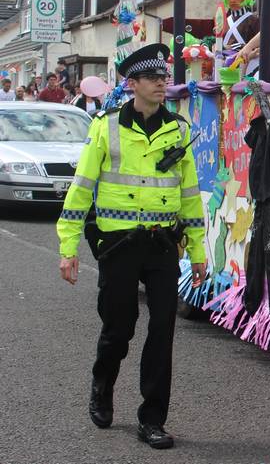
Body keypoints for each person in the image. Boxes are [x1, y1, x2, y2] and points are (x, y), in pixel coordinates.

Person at [56, 43, 206, 450]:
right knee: (118, 328)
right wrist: (68, 248)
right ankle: (102, 386)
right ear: (133, 84)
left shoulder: (179, 129)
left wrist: (197, 251)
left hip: (162, 244)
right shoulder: (105, 127)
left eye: (164, 78)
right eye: (152, 78)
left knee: (162, 330)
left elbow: (190, 195)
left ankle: (152, 419)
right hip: (119, 244)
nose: (161, 84)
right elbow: (81, 189)